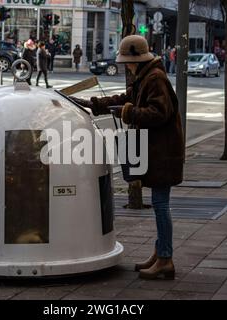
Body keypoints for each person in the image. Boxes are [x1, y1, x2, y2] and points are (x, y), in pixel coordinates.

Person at [70, 35, 184, 280]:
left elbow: (159, 113)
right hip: (158, 150)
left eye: (127, 62)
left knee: (161, 205)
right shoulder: (146, 77)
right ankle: (160, 252)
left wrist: (128, 112)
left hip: (163, 152)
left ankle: (165, 258)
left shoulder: (155, 79)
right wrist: (95, 104)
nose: (126, 66)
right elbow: (125, 99)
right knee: (159, 204)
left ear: (137, 59)